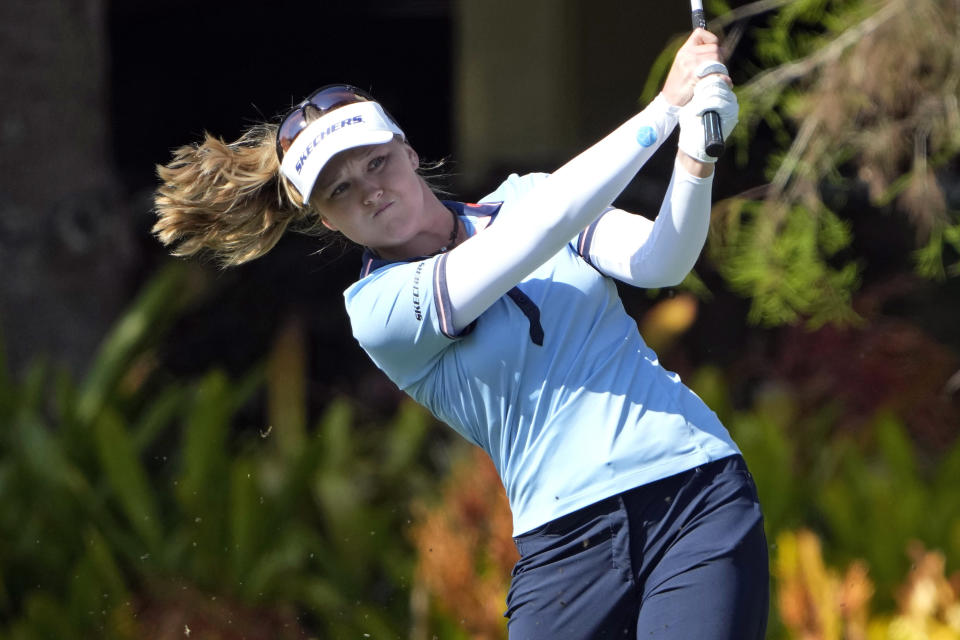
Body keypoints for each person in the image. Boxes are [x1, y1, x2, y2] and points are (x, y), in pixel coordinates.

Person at [153, 28, 768, 640]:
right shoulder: (379, 310)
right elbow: (528, 238)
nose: (370, 188)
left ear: (409, 153)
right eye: (340, 188)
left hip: (696, 490)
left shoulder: (523, 196)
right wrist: (665, 110)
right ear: (326, 220)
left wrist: (696, 154)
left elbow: (660, 261)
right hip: (565, 546)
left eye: (377, 162)